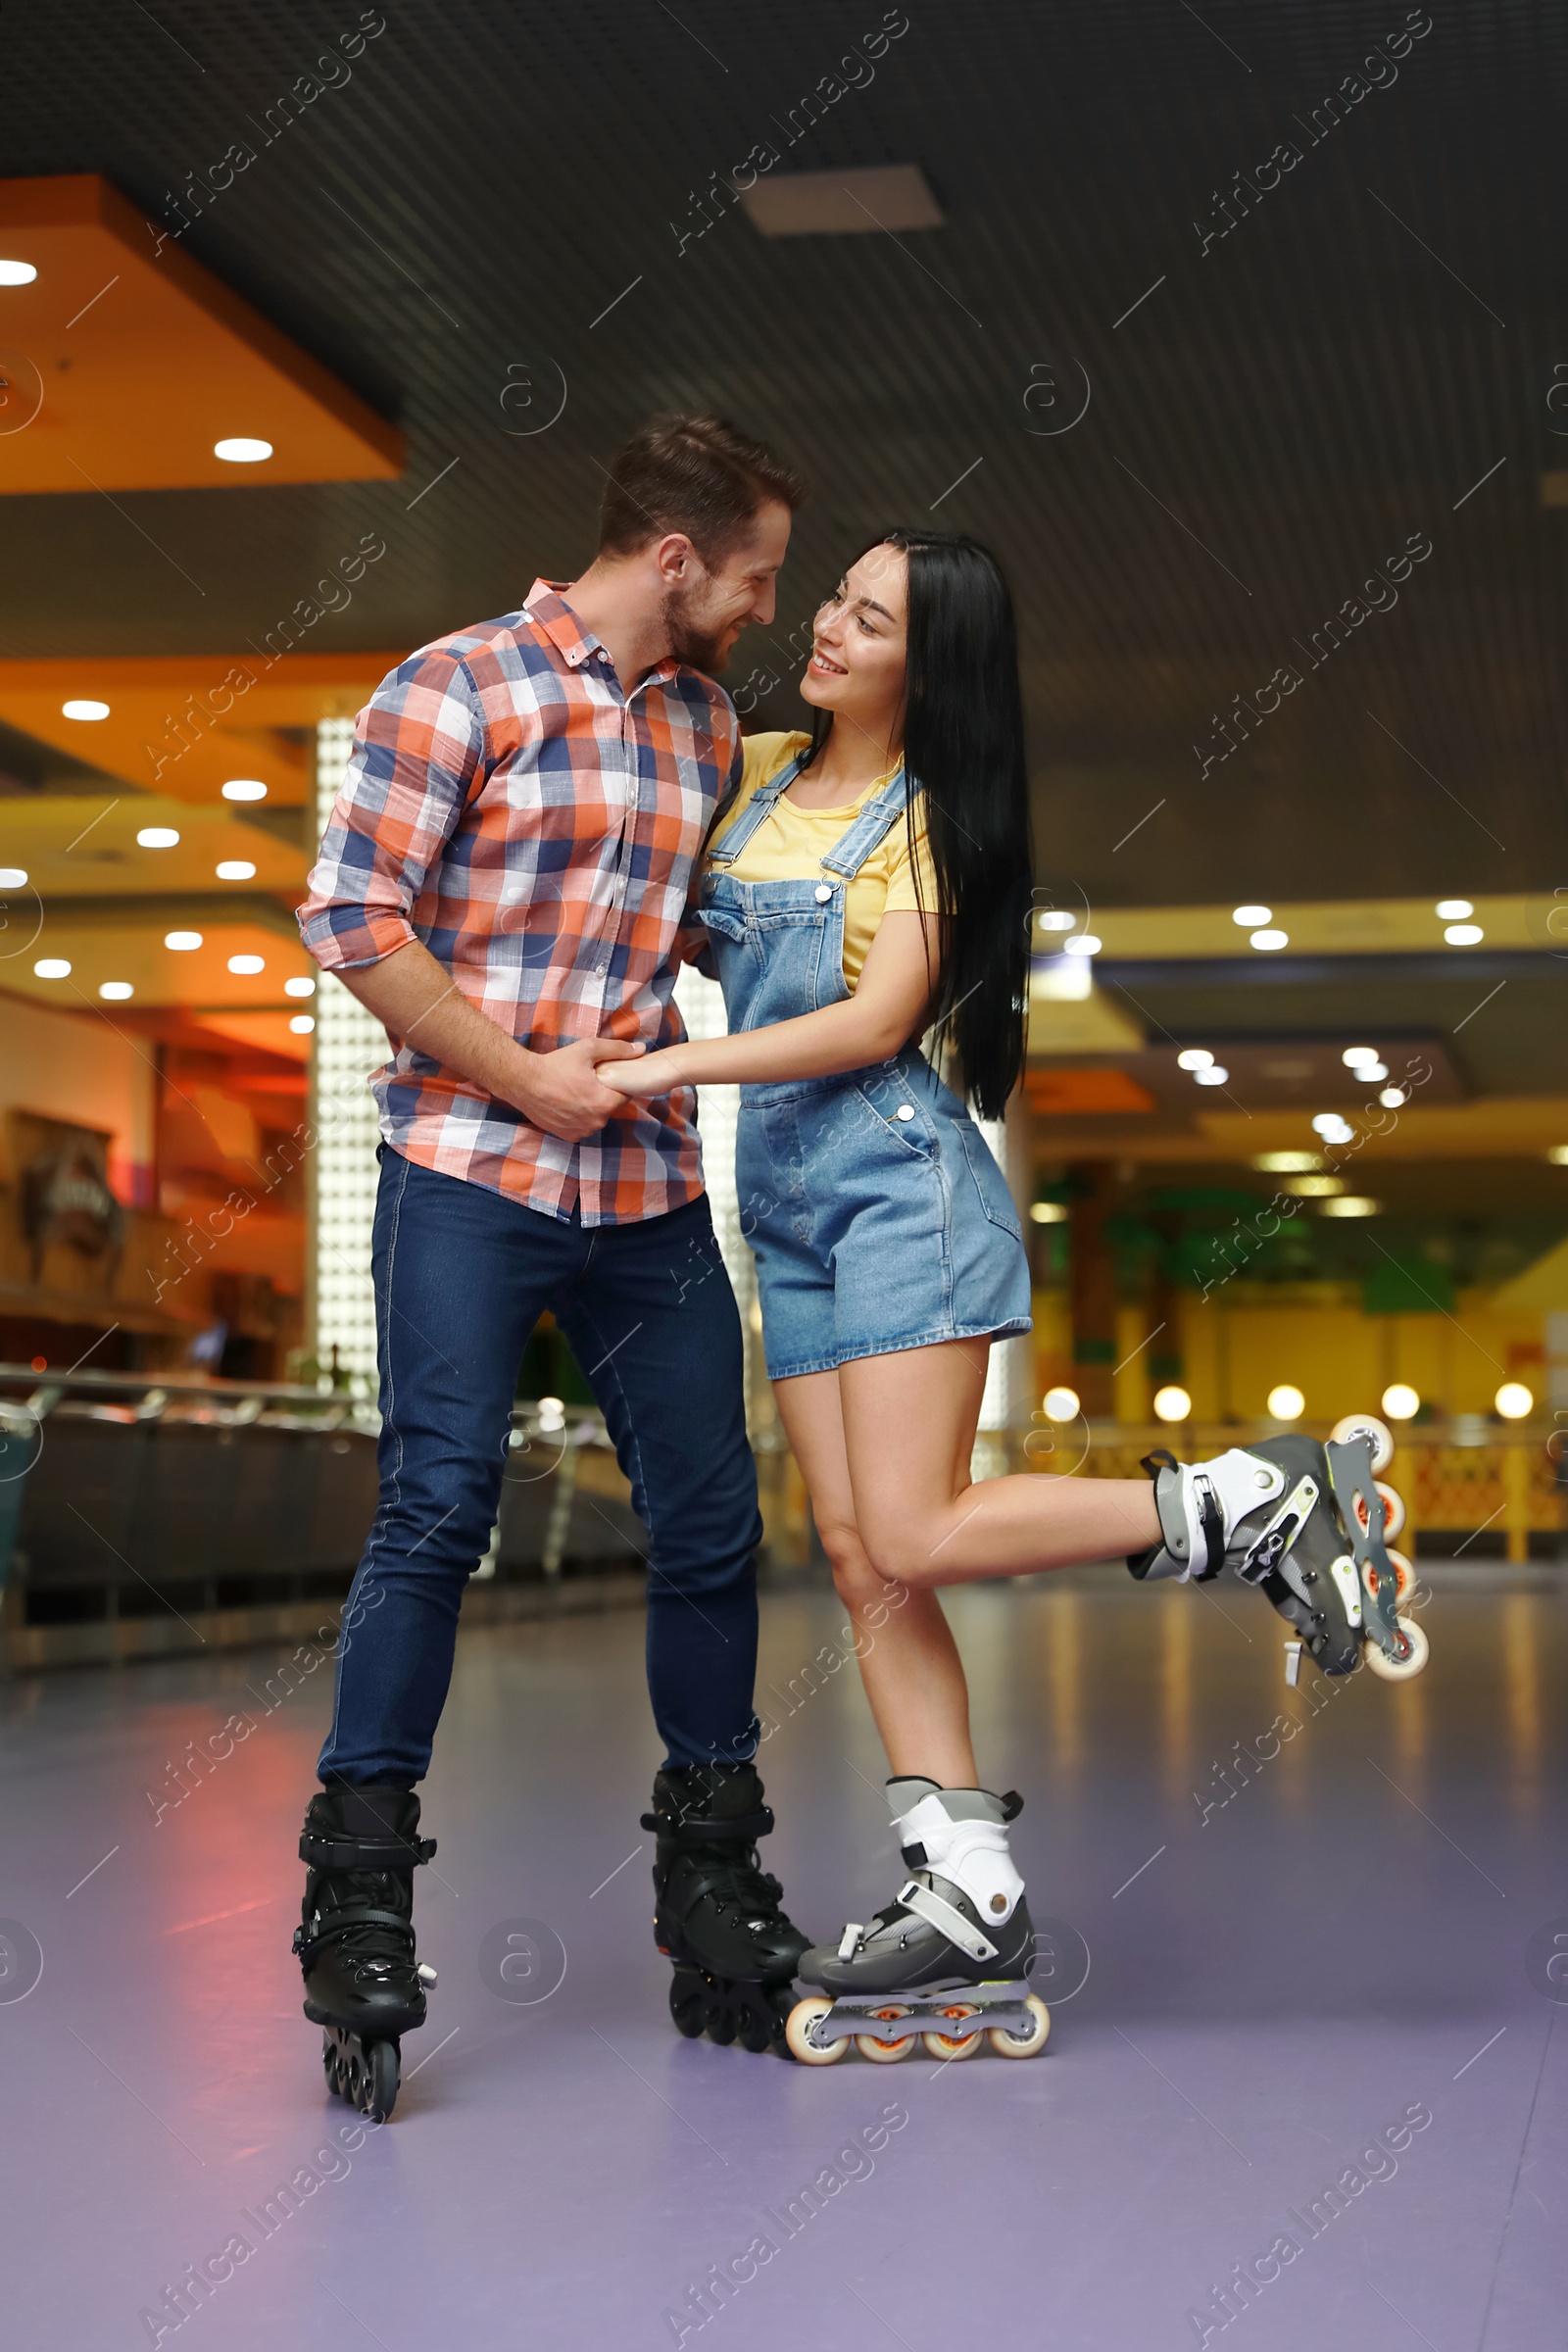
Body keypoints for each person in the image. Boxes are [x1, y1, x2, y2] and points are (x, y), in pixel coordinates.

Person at [606, 528, 1423, 2046]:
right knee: (863, 1555)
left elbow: (870, 1026)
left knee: (914, 1520)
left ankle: (1246, 1500)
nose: (830, 630)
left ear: (936, 665)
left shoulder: (929, 823)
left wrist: (668, 1061)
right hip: (785, 1208)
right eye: (836, 600)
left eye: (871, 618)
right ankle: (966, 1887)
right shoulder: (765, 769)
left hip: (900, 1188)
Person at [292, 415, 817, 2113]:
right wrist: (523, 1075)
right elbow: (355, 918)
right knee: (438, 1503)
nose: (759, 605)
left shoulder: (711, 724)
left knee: (713, 1516)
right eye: (752, 575)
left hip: (649, 1186)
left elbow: (708, 934)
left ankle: (711, 1874)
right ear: (676, 558)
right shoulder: (454, 687)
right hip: (469, 1165)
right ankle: (358, 1891)